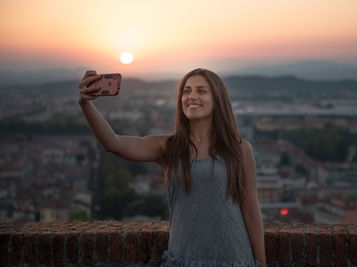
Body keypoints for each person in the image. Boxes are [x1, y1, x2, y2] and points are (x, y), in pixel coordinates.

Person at [78, 68, 267, 267]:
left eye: (201, 91)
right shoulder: (169, 148)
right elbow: (113, 143)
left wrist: (261, 264)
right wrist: (85, 104)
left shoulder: (239, 149)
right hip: (183, 258)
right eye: (186, 91)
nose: (192, 96)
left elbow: (251, 211)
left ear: (217, 99)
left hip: (234, 258)